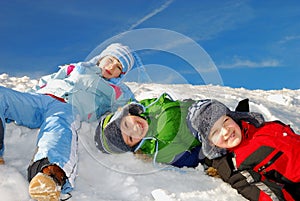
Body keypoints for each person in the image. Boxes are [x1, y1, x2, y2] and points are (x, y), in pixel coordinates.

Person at [0, 43, 138, 201]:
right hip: (41, 99)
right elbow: (48, 80)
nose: (112, 66)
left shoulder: (117, 90)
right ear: (102, 57)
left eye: (119, 67)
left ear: (121, 73)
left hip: (68, 108)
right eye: (111, 59)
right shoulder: (77, 68)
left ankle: (50, 176)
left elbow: (132, 108)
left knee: (58, 129)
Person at [94, 93, 249, 169]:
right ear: (134, 147)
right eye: (130, 138)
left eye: (127, 125)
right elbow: (189, 160)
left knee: (222, 114)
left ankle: (237, 117)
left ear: (128, 114)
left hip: (199, 108)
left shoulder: (149, 107)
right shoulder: (160, 149)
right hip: (206, 131)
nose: (135, 129)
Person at [186, 99, 300, 201]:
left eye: (225, 120)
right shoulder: (234, 165)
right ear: (210, 143)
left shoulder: (256, 125)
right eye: (215, 132)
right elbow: (267, 195)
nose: (225, 131)